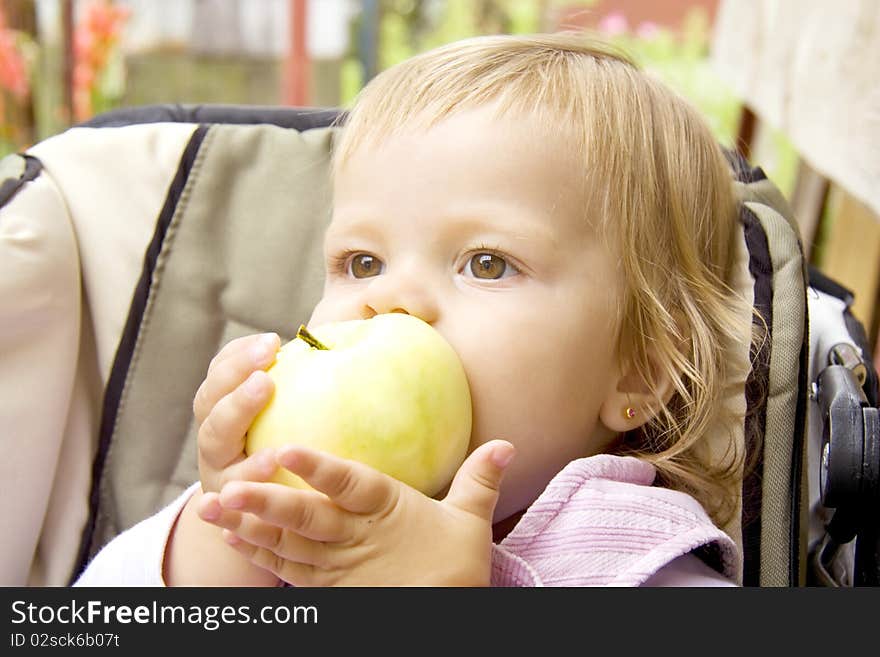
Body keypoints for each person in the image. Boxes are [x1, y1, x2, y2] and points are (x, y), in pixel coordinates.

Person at [74, 32, 756, 587]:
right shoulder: (309, 513)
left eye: (487, 263)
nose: (389, 299)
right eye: (362, 262)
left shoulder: (642, 559)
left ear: (637, 371)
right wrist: (232, 533)